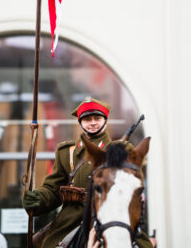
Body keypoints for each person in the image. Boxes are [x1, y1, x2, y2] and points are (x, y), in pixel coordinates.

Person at [22, 96, 153, 248]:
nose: (92, 123)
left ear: (105, 121)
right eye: (87, 119)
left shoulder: (122, 149)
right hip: (74, 217)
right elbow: (53, 189)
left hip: (113, 212)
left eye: (97, 118)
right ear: (80, 123)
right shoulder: (67, 152)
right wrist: (39, 198)